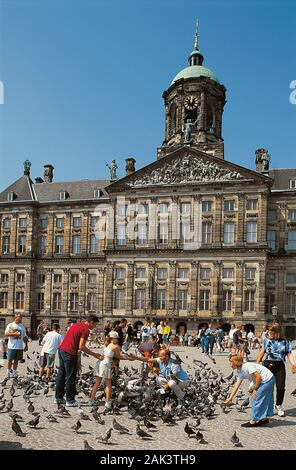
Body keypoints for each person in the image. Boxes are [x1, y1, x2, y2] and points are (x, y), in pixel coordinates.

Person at [55, 314, 103, 406]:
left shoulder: (77, 324)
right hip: (70, 352)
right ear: (91, 322)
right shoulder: (85, 329)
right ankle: (70, 400)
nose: (94, 327)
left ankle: (58, 398)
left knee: (61, 374)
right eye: (95, 325)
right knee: (71, 376)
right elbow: (82, 346)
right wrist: (95, 354)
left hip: (61, 350)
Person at [256, 322, 296, 417]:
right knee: (265, 388)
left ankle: (278, 405)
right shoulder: (266, 340)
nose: (270, 333)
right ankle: (265, 407)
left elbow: (289, 354)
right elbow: (262, 352)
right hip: (267, 365)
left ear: (277, 332)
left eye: (271, 332)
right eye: (269, 331)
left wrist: (294, 364)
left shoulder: (285, 341)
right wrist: (257, 365)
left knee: (281, 387)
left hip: (279, 365)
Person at [224, 354, 275, 427]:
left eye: (231, 363)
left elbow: (258, 377)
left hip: (267, 379)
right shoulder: (240, 371)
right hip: (265, 380)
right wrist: (230, 398)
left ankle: (254, 420)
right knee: (263, 398)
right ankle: (263, 418)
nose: (230, 365)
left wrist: (255, 389)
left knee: (255, 398)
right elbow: (236, 386)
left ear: (236, 363)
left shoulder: (247, 366)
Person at [90, 331, 134, 410]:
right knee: (108, 385)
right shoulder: (115, 346)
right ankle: (107, 402)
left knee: (97, 382)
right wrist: (129, 358)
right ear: (113, 339)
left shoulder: (108, 344)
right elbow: (119, 357)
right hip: (106, 364)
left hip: (100, 363)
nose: (117, 340)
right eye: (116, 338)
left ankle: (92, 399)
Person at [5, 314, 28, 378]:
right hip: (11, 346)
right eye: (20, 317)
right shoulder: (10, 325)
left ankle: (14, 373)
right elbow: (6, 333)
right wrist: (14, 334)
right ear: (16, 317)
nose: (21, 319)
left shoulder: (22, 326)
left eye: (21, 318)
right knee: (10, 360)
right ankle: (8, 372)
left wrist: (26, 345)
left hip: (19, 347)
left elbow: (24, 336)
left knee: (16, 360)